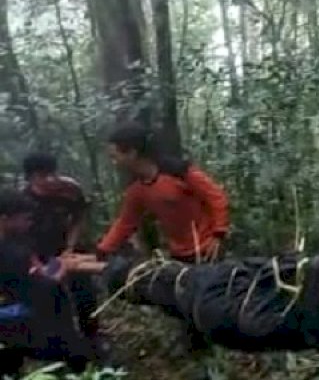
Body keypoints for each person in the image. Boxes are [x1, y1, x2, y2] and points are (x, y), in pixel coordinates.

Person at [96, 121, 230, 355]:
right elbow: (126, 222)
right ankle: (195, 345)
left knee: (208, 296)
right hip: (179, 251)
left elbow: (216, 197)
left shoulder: (179, 171)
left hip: (206, 246)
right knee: (182, 298)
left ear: (132, 153)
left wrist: (218, 233)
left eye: (116, 155)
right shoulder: (137, 190)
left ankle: (220, 341)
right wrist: (103, 250)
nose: (114, 161)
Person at [0, 189, 98, 377]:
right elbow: (45, 285)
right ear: (5, 219)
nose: (29, 223)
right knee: (73, 352)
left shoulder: (17, 243)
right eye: (25, 219)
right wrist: (62, 267)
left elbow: (37, 270)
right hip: (20, 318)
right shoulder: (11, 253)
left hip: (13, 313)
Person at [21, 152, 101, 345]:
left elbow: (79, 216)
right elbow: (19, 237)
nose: (50, 180)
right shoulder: (22, 200)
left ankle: (93, 336)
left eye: (52, 174)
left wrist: (70, 246)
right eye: (43, 176)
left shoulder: (70, 189)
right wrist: (36, 262)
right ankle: (65, 341)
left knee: (84, 291)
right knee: (51, 293)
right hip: (38, 251)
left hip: (69, 248)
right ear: (31, 178)